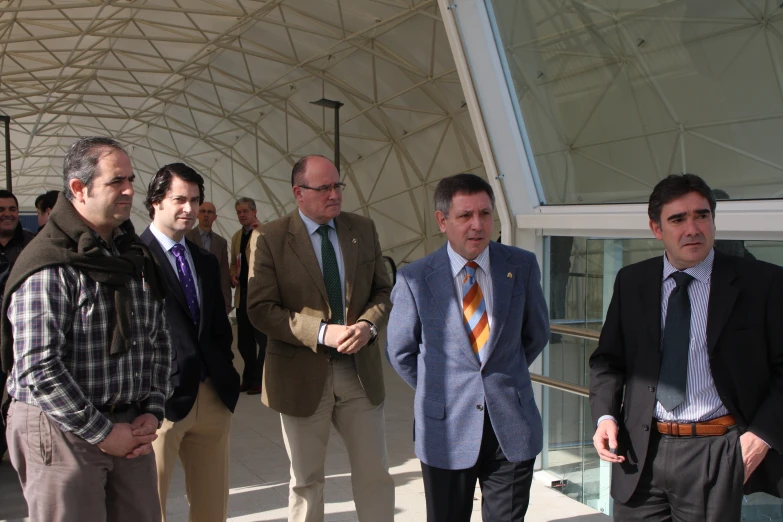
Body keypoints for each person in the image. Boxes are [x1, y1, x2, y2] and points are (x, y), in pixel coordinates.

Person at [589, 173, 783, 521]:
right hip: (640, 453)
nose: (692, 228)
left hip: (717, 451)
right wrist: (605, 416)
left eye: (701, 215)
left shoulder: (762, 282)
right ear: (656, 229)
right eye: (678, 219)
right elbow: (608, 360)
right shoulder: (633, 281)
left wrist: (760, 438)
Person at [0, 136, 172, 522]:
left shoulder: (132, 258)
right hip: (61, 427)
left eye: (130, 179)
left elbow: (159, 340)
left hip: (129, 428)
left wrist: (151, 410)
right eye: (116, 181)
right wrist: (104, 432)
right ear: (79, 188)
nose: (130, 190)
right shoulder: (50, 261)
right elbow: (37, 369)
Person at [386, 173, 550, 522]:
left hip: (511, 425)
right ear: (442, 221)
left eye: (485, 214)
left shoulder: (520, 266)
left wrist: (499, 377)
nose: (478, 225)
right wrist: (442, 391)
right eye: (465, 216)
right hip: (445, 429)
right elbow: (401, 351)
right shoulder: (415, 278)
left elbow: (535, 334)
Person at [247, 154, 395, 522]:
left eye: (337, 186)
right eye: (324, 187)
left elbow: (383, 292)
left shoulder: (362, 229)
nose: (334, 194)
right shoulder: (270, 238)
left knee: (374, 473)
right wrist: (324, 332)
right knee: (307, 480)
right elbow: (261, 308)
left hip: (358, 374)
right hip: (300, 376)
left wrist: (368, 326)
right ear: (299, 193)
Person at [141, 163, 240, 522]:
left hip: (211, 395)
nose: (189, 209)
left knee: (213, 508)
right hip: (159, 402)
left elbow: (217, 324)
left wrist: (223, 370)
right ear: (155, 202)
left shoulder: (203, 259)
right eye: (179, 199)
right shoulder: (134, 258)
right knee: (151, 507)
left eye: (195, 201)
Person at [0, 189, 35, 461]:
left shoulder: (32, 245)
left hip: (22, 336)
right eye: (1, 210)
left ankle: (18, 447)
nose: (8, 214)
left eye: (12, 209)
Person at [230, 197, 265, 394]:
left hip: (259, 296)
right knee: (244, 342)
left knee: (263, 342)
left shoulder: (264, 232)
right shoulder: (236, 237)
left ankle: (259, 380)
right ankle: (248, 377)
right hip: (242, 295)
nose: (242, 215)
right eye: (239, 212)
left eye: (245, 211)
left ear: (254, 212)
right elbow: (233, 263)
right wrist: (232, 275)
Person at [185, 201, 232, 314]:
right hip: (192, 294)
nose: (206, 215)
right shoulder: (186, 237)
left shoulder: (221, 242)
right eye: (203, 211)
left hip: (214, 296)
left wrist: (227, 302)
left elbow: (224, 273)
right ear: (197, 214)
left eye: (210, 212)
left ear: (215, 217)